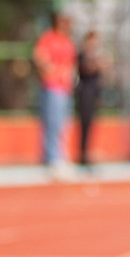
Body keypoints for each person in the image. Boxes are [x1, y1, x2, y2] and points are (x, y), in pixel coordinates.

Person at [34, 12, 78, 172]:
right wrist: (50, 69)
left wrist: (72, 78)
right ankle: (51, 158)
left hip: (66, 88)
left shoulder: (68, 41)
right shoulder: (48, 38)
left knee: (65, 124)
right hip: (52, 86)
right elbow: (39, 57)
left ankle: (61, 156)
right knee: (52, 123)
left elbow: (72, 63)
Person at [76, 29, 110, 167]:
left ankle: (87, 152)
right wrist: (96, 65)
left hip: (95, 92)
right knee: (84, 123)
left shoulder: (97, 56)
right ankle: (82, 154)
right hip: (85, 92)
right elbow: (86, 68)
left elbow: (106, 66)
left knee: (91, 124)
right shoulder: (83, 55)